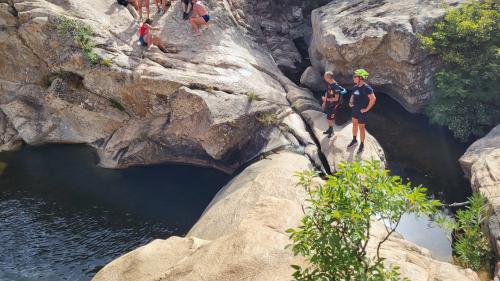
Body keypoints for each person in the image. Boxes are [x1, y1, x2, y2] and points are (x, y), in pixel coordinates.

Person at [347, 69, 376, 154]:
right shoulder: (355, 87)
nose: (353, 78)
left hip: (362, 112)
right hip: (354, 110)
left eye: (355, 76)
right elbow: (352, 96)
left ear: (361, 78)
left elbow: (373, 99)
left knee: (361, 127)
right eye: (354, 76)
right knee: (354, 124)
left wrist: (366, 109)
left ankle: (362, 144)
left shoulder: (367, 88)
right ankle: (354, 140)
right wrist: (350, 102)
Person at [321, 71, 346, 138]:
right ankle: (330, 129)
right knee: (328, 118)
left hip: (334, 105)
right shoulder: (329, 84)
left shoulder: (335, 86)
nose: (324, 77)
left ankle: (331, 131)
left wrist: (326, 100)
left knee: (331, 118)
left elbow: (336, 98)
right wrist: (324, 102)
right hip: (329, 104)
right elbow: (327, 92)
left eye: (325, 76)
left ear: (328, 77)